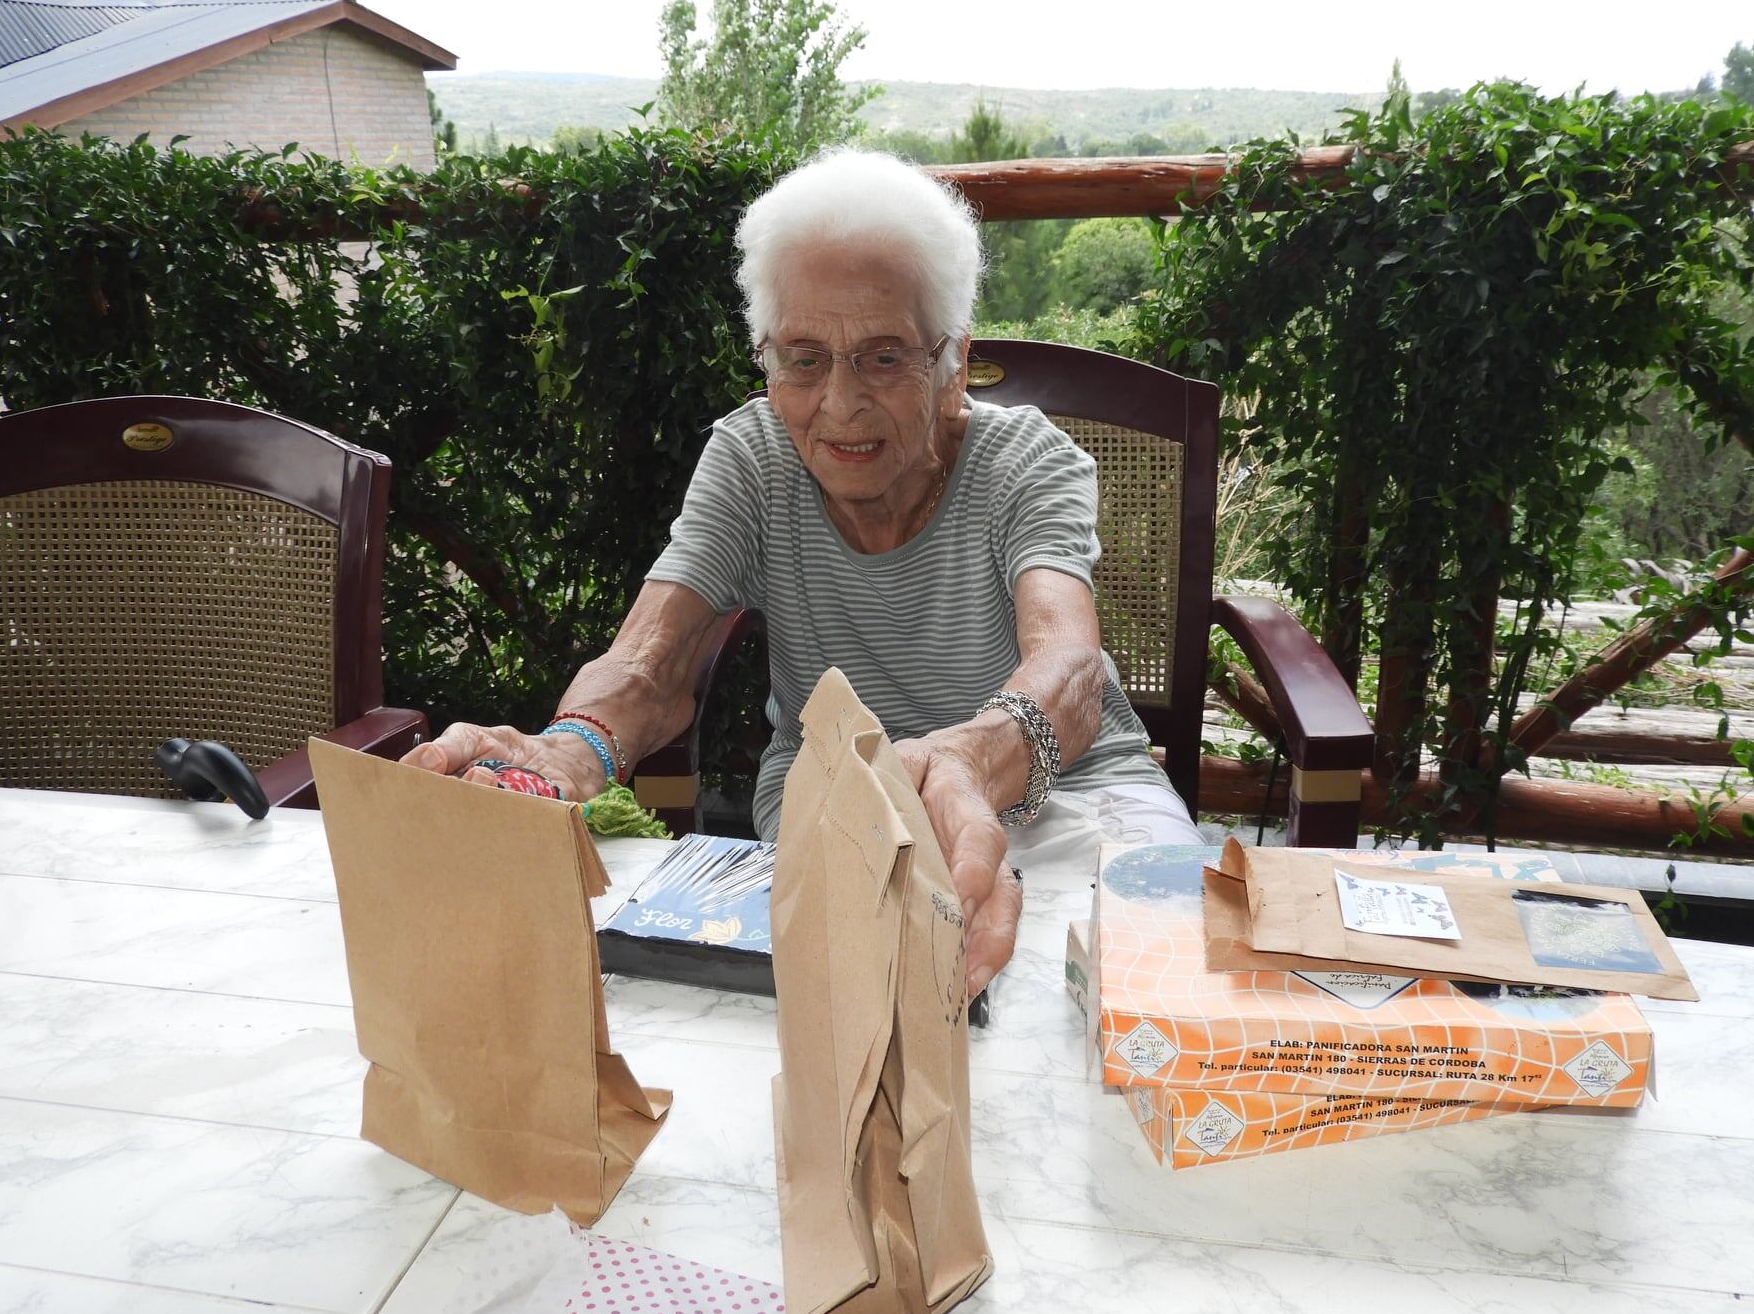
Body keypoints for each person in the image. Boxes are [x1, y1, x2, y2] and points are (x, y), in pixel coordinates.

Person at [404, 148, 1197, 998]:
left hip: (1071, 793)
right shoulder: (752, 457)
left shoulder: (1027, 461)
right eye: (804, 357)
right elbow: (651, 664)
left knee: (1160, 996)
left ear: (953, 360)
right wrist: (569, 751)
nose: (841, 404)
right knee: (861, 1018)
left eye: (886, 356)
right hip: (840, 799)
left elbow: (1068, 667)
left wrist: (965, 761)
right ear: (767, 357)